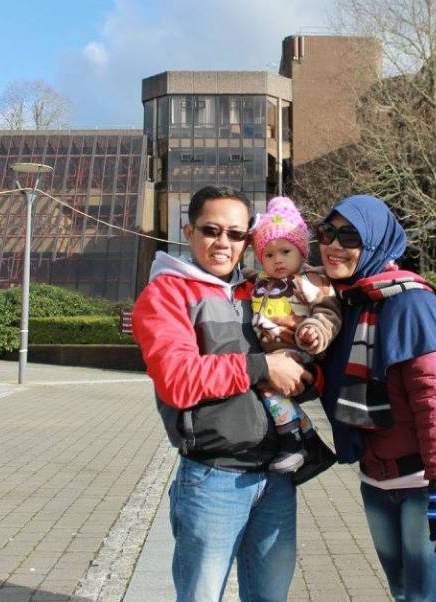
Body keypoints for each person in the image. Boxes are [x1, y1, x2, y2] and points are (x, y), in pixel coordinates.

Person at [131, 185, 312, 602]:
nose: (223, 243)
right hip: (214, 477)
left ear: (249, 240)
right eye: (211, 230)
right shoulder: (166, 293)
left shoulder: (258, 291)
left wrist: (306, 369)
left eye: (235, 234)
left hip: (277, 476)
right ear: (188, 231)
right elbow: (177, 380)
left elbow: (294, 366)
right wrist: (262, 367)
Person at [313, 194, 436, 602]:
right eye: (327, 232)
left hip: (427, 478)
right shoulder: (346, 304)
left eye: (349, 235)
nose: (334, 245)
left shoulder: (410, 302)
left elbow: (433, 399)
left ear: (374, 243)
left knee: (423, 596)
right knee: (402, 591)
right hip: (377, 476)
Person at [249, 195, 341, 473]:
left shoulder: (308, 281)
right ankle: (311, 442)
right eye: (269, 254)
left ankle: (293, 442)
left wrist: (313, 330)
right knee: (261, 386)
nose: (277, 260)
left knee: (267, 385)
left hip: (297, 349)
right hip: (272, 352)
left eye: (285, 252)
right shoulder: (261, 281)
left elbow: (328, 312)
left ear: (302, 252)